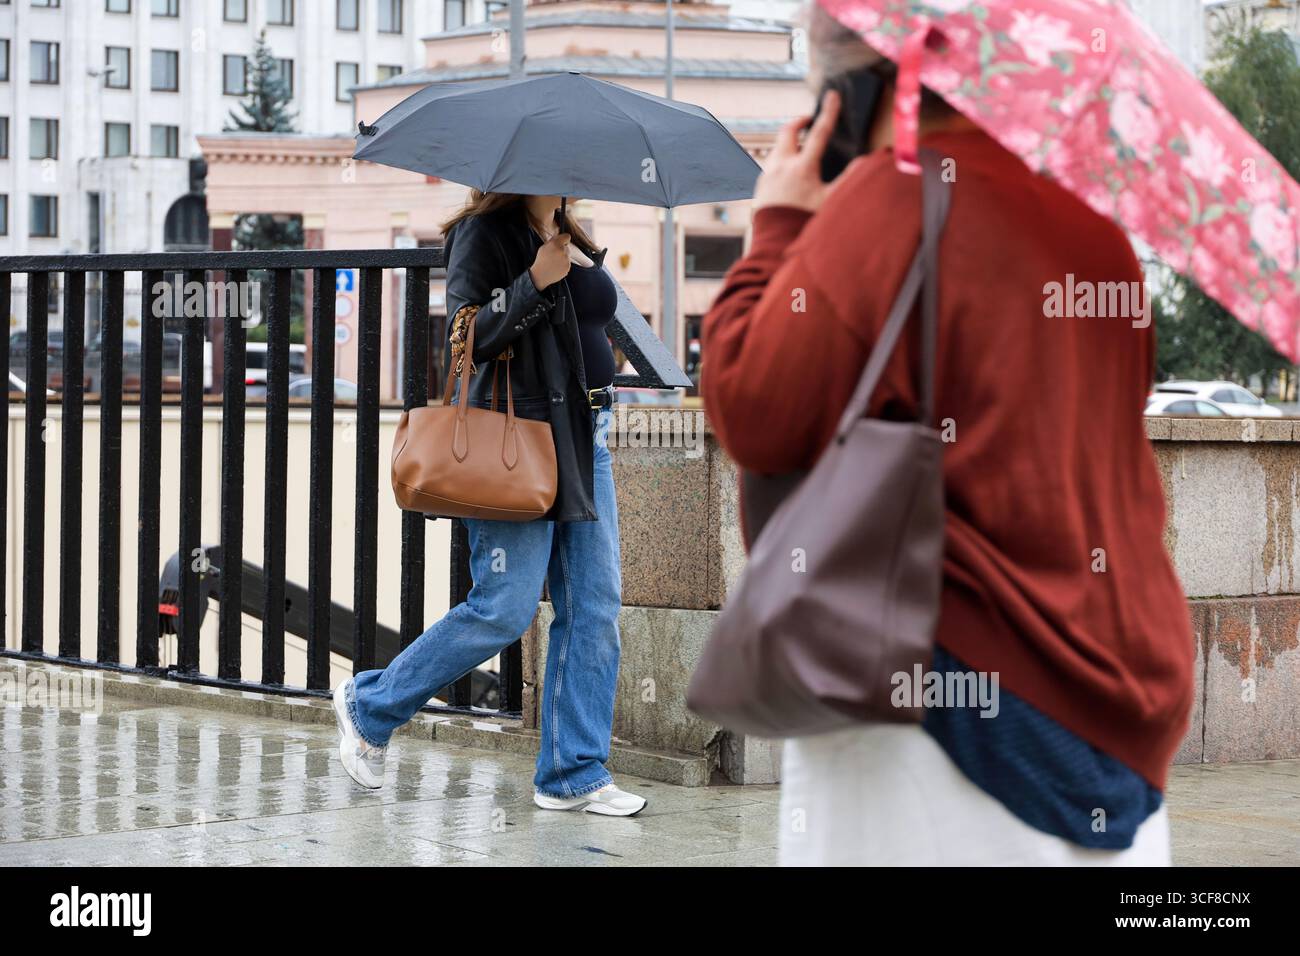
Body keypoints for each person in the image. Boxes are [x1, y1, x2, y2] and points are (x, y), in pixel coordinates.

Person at [700, 5, 1194, 864]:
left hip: (946, 715)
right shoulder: (1097, 232)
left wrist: (778, 225)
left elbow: (752, 406)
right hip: (1125, 712)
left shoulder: (894, 197)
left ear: (862, 86)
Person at [331, 191, 646, 817]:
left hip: (588, 437)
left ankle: (572, 774)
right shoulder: (484, 234)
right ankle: (370, 706)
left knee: (595, 606)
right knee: (504, 608)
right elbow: (467, 337)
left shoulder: (569, 233)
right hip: (520, 439)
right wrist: (532, 282)